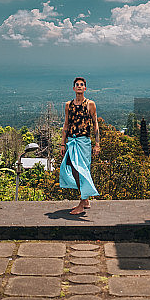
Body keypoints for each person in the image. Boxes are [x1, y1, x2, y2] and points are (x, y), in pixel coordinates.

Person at [59, 77, 100, 214]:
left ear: (85, 88)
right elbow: (66, 124)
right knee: (73, 168)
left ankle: (82, 203)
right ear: (73, 88)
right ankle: (85, 200)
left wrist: (97, 144)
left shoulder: (90, 104)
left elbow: (95, 124)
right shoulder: (68, 105)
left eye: (82, 85)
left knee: (82, 170)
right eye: (77, 85)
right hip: (72, 141)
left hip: (84, 141)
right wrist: (63, 143)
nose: (79, 87)